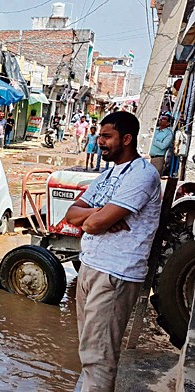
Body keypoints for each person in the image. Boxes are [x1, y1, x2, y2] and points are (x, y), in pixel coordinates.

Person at [64, 111, 161, 392]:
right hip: (90, 267)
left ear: (127, 139)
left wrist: (94, 217)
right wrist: (100, 212)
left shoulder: (143, 175)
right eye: (99, 135)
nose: (100, 141)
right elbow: (71, 214)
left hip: (115, 273)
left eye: (107, 136)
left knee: (99, 358)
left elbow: (92, 225)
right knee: (88, 349)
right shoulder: (108, 174)